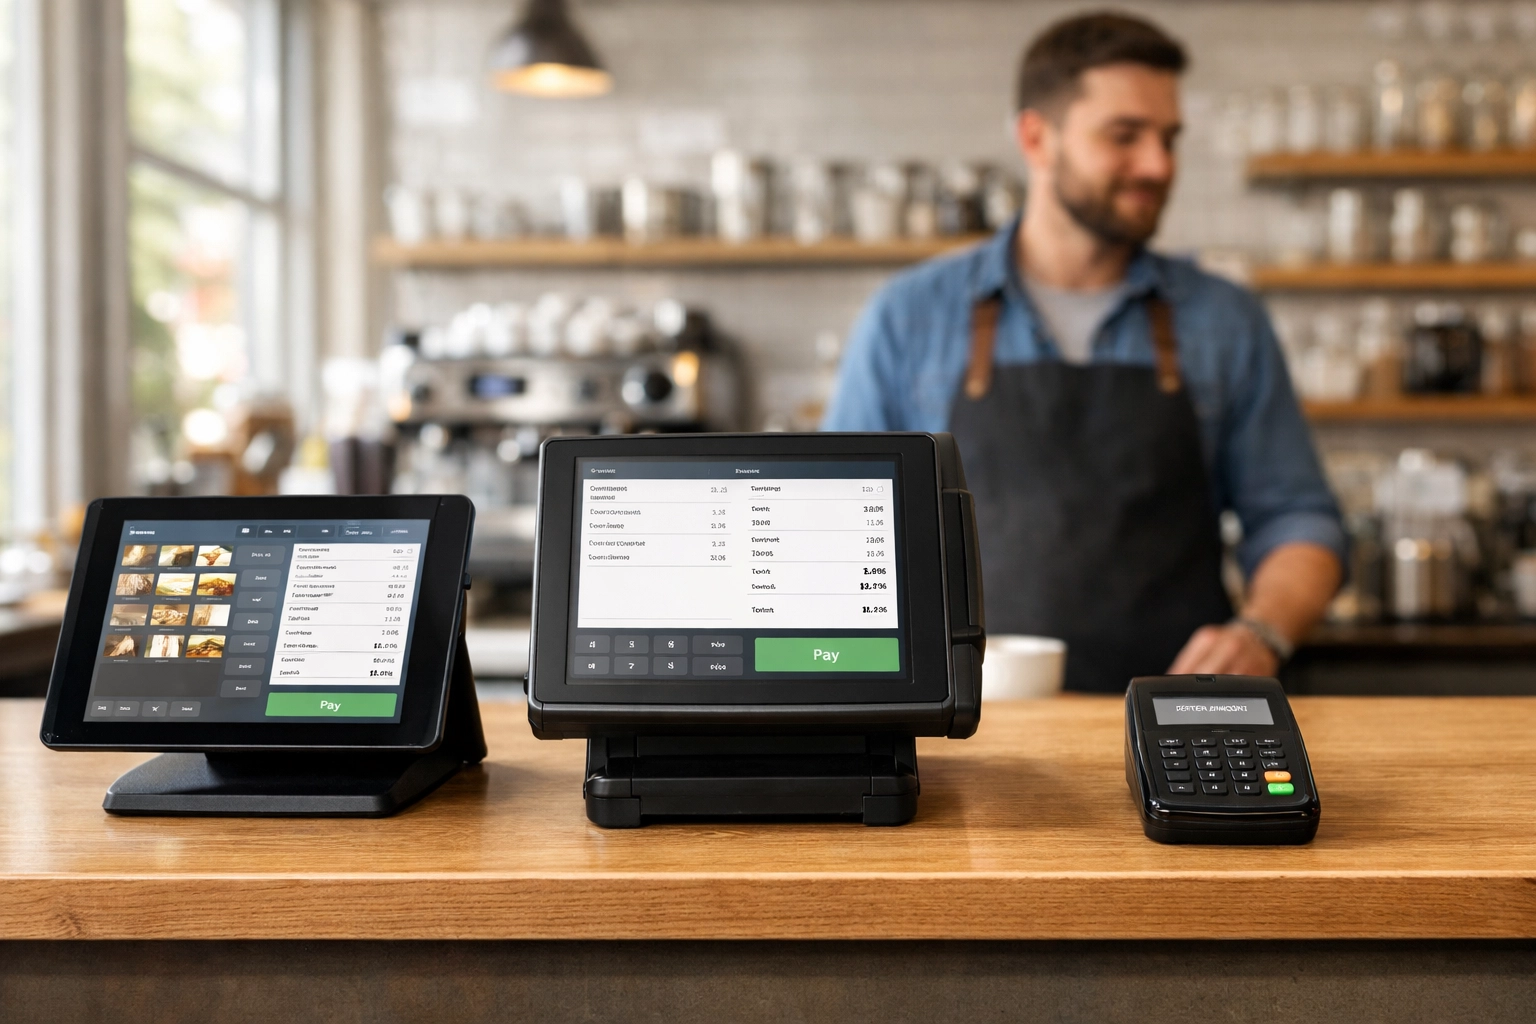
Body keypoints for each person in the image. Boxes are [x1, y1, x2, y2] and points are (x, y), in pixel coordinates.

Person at [822, 11, 1344, 692]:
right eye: (1125, 136)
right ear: (1037, 138)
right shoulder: (910, 317)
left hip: (1180, 722)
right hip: (970, 734)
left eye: (1169, 139)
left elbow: (1298, 517)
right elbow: (833, 531)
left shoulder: (1224, 319)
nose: (1158, 165)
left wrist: (1261, 632)